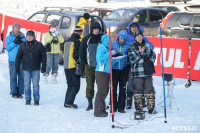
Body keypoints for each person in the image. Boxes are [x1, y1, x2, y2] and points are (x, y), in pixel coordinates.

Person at [126, 22, 155, 109]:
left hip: (147, 71)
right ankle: (138, 108)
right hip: (137, 72)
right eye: (138, 36)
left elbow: (153, 54)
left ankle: (151, 108)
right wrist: (140, 52)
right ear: (135, 38)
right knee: (137, 90)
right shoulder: (131, 47)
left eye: (141, 36)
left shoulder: (147, 45)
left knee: (150, 89)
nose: (139, 38)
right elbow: (133, 59)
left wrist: (151, 59)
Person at [15, 30, 46, 105]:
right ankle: (28, 99)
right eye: (27, 36)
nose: (29, 37)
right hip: (26, 69)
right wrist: (17, 66)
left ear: (34, 37)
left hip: (36, 68)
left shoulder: (39, 45)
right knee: (26, 85)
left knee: (35, 85)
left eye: (31, 36)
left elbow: (43, 57)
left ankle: (36, 100)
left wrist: (44, 66)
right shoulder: (22, 45)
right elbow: (18, 57)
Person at [79, 21, 103, 111]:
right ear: (91, 29)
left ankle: (100, 102)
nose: (96, 31)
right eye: (95, 29)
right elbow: (82, 52)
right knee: (90, 85)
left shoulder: (102, 38)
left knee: (100, 85)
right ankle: (90, 103)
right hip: (89, 65)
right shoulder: (86, 39)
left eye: (98, 29)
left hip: (101, 66)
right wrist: (83, 65)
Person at [111, 30, 131, 113]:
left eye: (123, 39)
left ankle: (121, 106)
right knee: (113, 88)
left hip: (123, 70)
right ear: (118, 38)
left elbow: (130, 56)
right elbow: (109, 53)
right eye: (120, 38)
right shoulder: (113, 44)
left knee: (122, 88)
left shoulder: (128, 45)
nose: (121, 40)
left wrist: (128, 65)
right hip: (114, 69)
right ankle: (113, 106)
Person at [63, 26, 83, 108]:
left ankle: (67, 102)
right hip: (73, 65)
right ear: (79, 33)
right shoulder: (77, 41)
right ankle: (69, 102)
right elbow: (75, 54)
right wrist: (78, 63)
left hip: (66, 65)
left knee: (70, 84)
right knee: (76, 85)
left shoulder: (67, 41)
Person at [5, 22, 26, 98]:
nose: (17, 28)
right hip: (13, 60)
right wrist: (14, 42)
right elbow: (7, 48)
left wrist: (22, 42)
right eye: (16, 26)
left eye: (19, 26)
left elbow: (27, 45)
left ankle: (20, 92)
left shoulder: (23, 36)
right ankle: (13, 92)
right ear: (13, 28)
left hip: (21, 59)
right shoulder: (9, 37)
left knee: (21, 76)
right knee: (13, 76)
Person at [94, 34, 111, 117]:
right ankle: (98, 111)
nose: (110, 43)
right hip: (101, 72)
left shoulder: (107, 48)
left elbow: (108, 61)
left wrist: (116, 58)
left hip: (106, 71)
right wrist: (110, 54)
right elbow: (100, 58)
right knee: (101, 91)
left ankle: (101, 108)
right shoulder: (101, 47)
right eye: (109, 41)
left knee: (105, 91)